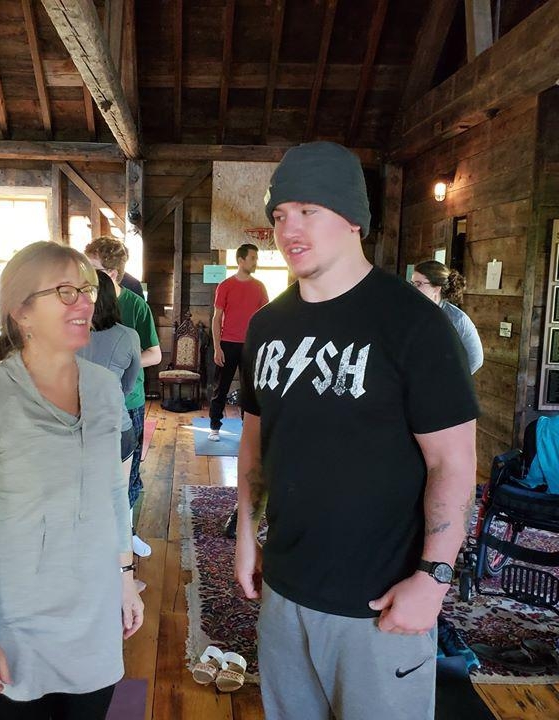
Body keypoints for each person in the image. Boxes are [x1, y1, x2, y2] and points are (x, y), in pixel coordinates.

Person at [234, 142, 479, 720]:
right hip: (285, 591)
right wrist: (246, 531)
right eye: (279, 214)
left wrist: (434, 579)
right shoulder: (266, 326)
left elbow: (452, 462)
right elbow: (256, 441)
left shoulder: (415, 324)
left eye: (308, 210)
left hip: (380, 603)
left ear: (352, 219)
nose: (289, 229)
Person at [0, 241, 143, 719]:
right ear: (22, 312)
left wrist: (125, 577)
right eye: (65, 291)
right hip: (18, 627)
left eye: (87, 290)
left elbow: (114, 493)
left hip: (93, 618)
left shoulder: (103, 388)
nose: (84, 302)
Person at [84, 237, 161, 559]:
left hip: (127, 402)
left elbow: (155, 354)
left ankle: (126, 535)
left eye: (91, 268)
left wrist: (118, 364)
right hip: (84, 404)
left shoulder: (136, 306)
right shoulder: (78, 301)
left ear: (112, 273)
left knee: (127, 474)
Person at [76, 271, 145, 590]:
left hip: (78, 429)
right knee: (117, 501)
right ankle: (121, 579)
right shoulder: (128, 336)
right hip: (118, 428)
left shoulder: (69, 335)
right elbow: (129, 384)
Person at [209, 243, 268, 442]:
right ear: (241, 260)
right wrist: (217, 347)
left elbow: (265, 318)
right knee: (221, 388)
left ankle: (247, 428)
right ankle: (214, 427)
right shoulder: (225, 285)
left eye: (256, 258)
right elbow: (217, 318)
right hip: (227, 344)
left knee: (249, 389)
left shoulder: (259, 286)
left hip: (251, 346)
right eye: (253, 258)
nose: (255, 262)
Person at [412, 260, 484, 374]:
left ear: (436, 288)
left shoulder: (457, 319)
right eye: (412, 284)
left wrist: (451, 379)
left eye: (418, 284)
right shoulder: (413, 313)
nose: (413, 289)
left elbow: (475, 359)